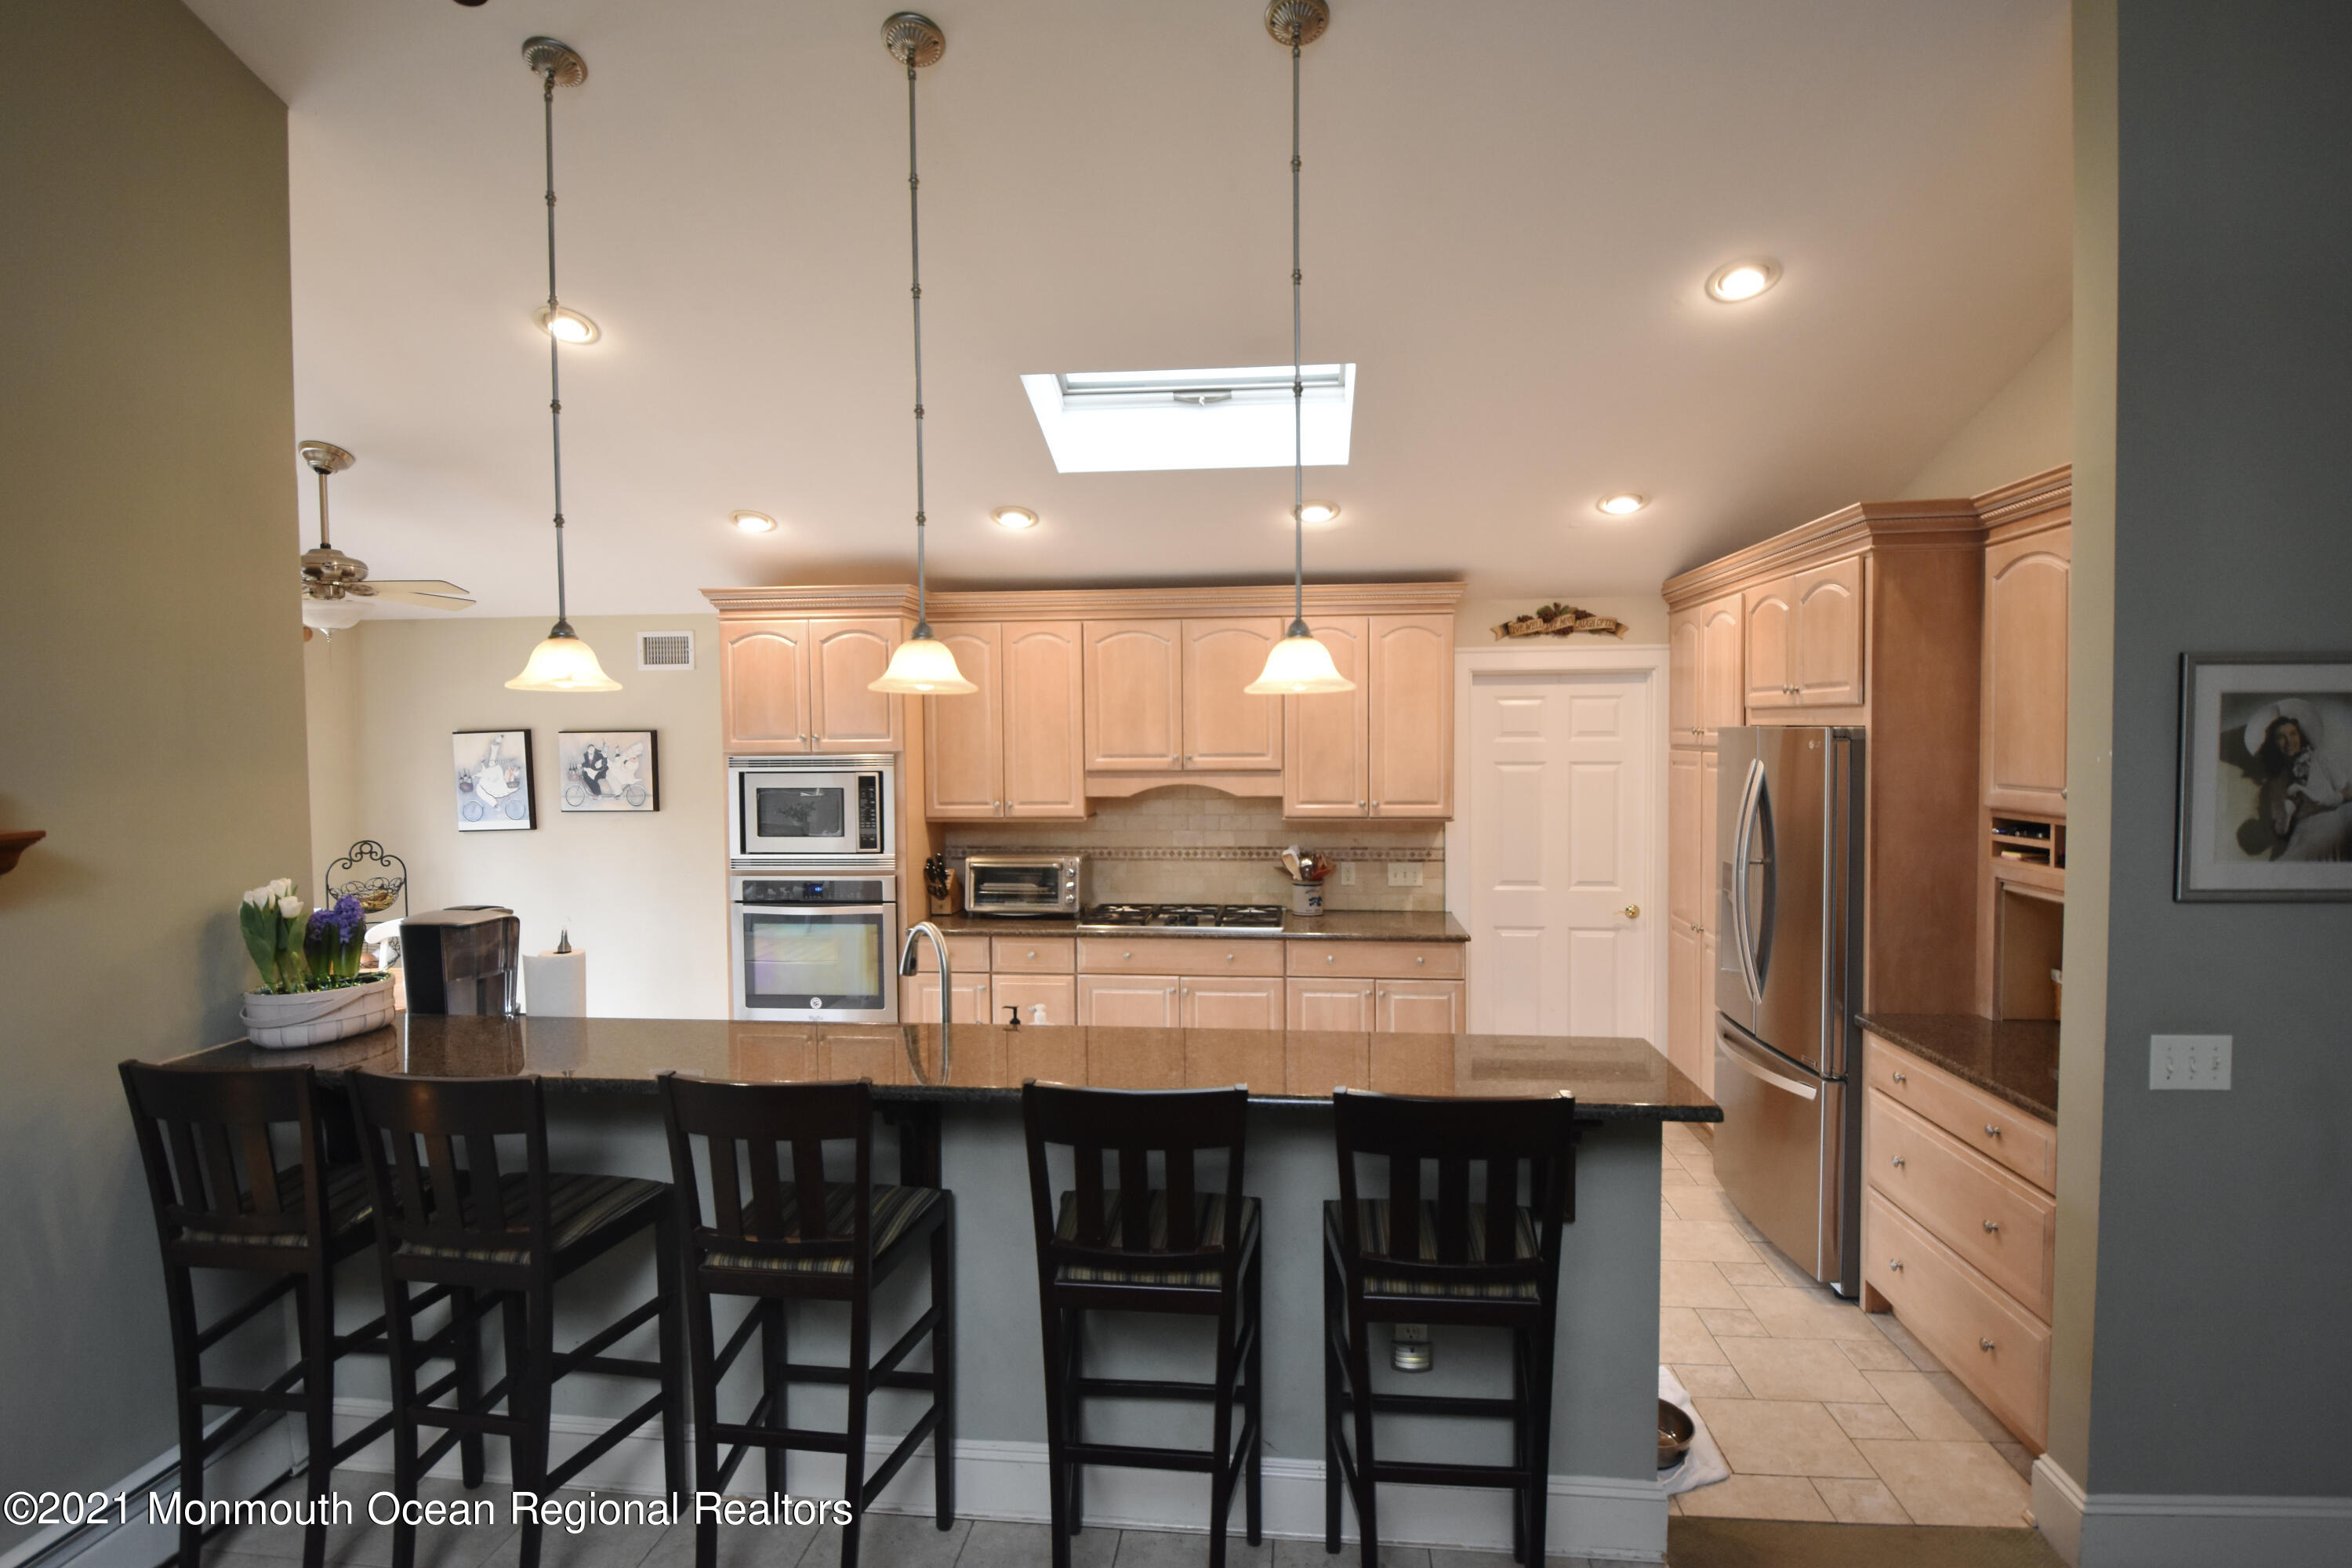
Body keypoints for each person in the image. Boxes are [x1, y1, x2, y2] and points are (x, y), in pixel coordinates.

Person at [2245, 702, 2352, 862]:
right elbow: (2281, 830)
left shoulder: (2319, 758)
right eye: (2281, 737)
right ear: (2274, 744)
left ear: (2300, 735)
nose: (2289, 741)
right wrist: (2287, 815)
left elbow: (2349, 790)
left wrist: (2333, 799)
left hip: (2336, 816)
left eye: (2293, 734)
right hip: (2308, 831)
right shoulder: (2276, 782)